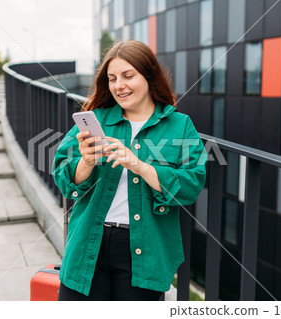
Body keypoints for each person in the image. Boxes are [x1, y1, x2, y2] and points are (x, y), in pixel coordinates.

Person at [52, 40, 206, 301]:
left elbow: (191, 184)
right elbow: (63, 176)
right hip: (89, 243)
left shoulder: (180, 126)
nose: (118, 85)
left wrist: (140, 166)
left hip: (146, 250)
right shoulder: (96, 119)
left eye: (128, 76)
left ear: (149, 76)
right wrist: (87, 162)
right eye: (112, 78)